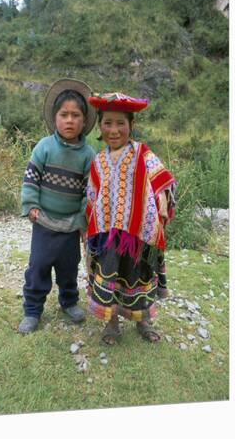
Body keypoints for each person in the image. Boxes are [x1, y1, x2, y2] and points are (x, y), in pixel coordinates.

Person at [85, 91, 176, 345]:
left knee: (139, 276)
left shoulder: (143, 154)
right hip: (109, 236)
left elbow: (163, 181)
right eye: (107, 123)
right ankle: (112, 323)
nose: (114, 130)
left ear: (131, 125)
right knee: (110, 276)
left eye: (120, 123)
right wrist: (88, 228)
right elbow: (92, 197)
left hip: (139, 235)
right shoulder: (98, 161)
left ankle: (142, 320)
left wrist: (162, 199)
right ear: (100, 126)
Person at [18, 78, 97, 334]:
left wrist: (84, 222)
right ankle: (32, 310)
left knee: (68, 267)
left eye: (76, 115)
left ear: (84, 121)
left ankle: (69, 301)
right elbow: (31, 178)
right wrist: (30, 205)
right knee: (38, 265)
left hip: (71, 225)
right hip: (44, 221)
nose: (70, 120)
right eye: (64, 114)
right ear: (55, 118)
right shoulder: (44, 147)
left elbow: (90, 193)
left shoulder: (88, 155)